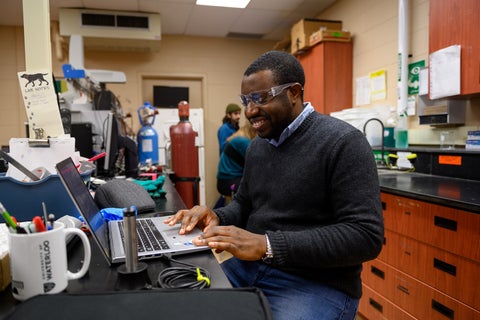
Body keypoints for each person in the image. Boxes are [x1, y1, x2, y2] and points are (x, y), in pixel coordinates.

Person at [165, 50, 384, 320]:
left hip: (315, 283)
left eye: (260, 98)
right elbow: (245, 203)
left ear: (293, 92)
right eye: (246, 100)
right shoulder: (258, 147)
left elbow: (365, 237)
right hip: (252, 267)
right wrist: (217, 215)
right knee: (176, 303)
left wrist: (268, 245)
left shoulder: (343, 142)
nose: (249, 111)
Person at [216, 122, 256, 197]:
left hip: (224, 181)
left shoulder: (238, 137)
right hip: (229, 181)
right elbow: (257, 162)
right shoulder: (243, 142)